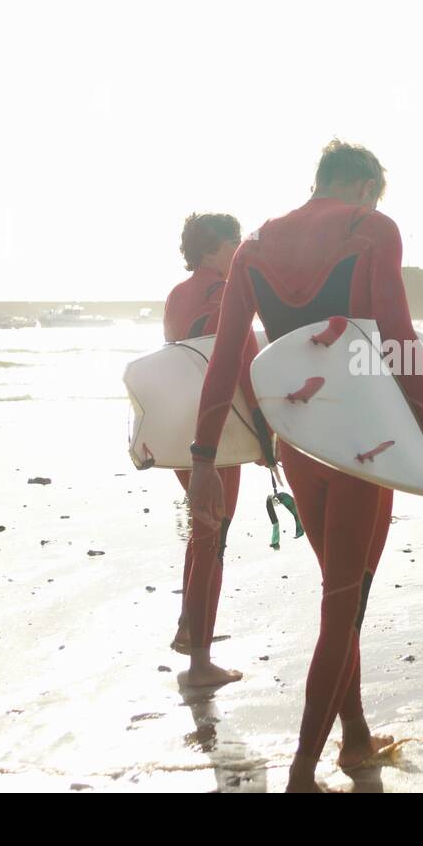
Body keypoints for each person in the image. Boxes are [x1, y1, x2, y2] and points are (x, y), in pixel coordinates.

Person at [187, 140, 423, 791]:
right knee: (343, 607)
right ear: (366, 186)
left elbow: (228, 359)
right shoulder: (370, 229)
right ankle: (302, 773)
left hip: (300, 444)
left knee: (344, 600)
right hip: (362, 442)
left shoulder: (253, 247)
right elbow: (395, 340)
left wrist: (204, 459)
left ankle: (358, 738)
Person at [163, 212, 261, 688]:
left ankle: (189, 626)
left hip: (181, 427)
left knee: (201, 535)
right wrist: (265, 433)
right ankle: (200, 663)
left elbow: (173, 362)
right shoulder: (226, 294)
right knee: (214, 539)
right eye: (234, 242)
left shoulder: (175, 297)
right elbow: (241, 362)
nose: (240, 249)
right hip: (217, 431)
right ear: (211, 249)